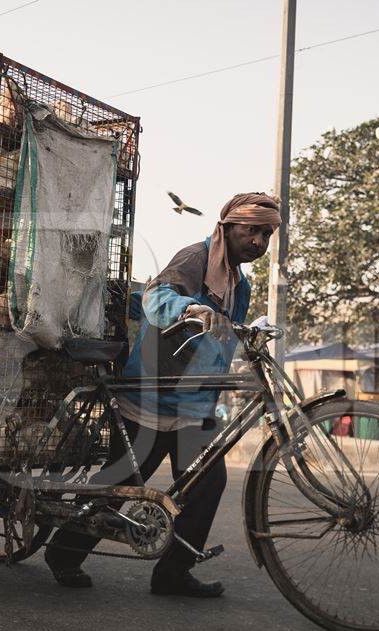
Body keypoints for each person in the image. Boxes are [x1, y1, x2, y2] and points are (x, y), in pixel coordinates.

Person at [45, 192, 281, 598]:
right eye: (252, 230)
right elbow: (157, 297)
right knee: (119, 484)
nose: (259, 241)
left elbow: (223, 334)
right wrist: (190, 310)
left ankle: (172, 572)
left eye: (267, 234)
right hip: (152, 396)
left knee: (207, 486)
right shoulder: (195, 258)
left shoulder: (239, 283)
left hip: (194, 402)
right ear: (227, 227)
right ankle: (63, 553)